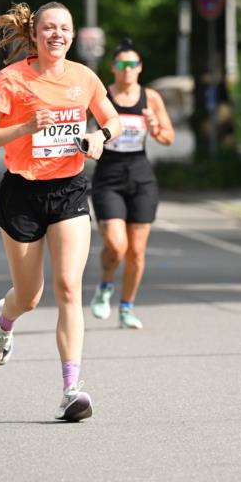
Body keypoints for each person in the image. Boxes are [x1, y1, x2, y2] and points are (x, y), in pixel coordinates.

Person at [0, 0, 120, 422]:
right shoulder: (12, 78)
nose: (57, 34)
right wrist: (25, 127)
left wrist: (100, 136)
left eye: (65, 28)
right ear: (35, 35)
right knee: (30, 296)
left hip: (68, 190)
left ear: (73, 35)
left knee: (69, 288)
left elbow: (114, 120)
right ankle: (4, 320)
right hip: (22, 193)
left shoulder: (84, 77)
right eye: (49, 28)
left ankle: (71, 390)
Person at [90, 38, 174, 329]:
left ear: (140, 67)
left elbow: (168, 137)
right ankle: (105, 286)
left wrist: (155, 128)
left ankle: (126, 307)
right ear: (113, 67)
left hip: (141, 178)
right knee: (116, 245)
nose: (128, 69)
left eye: (133, 64)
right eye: (122, 64)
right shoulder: (102, 96)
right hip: (108, 178)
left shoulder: (151, 98)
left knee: (136, 252)